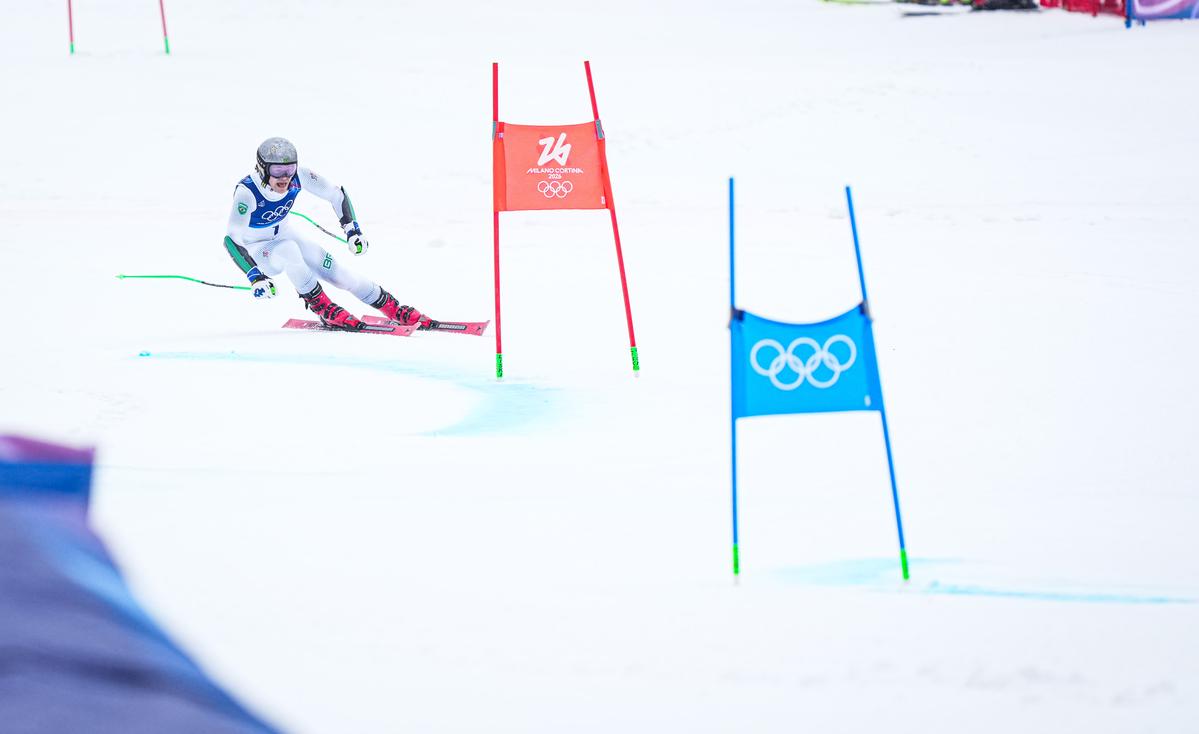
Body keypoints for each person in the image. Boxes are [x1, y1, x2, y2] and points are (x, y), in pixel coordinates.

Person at [222, 137, 430, 330]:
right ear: (262, 169)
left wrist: (352, 230)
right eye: (277, 171)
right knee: (288, 250)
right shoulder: (247, 192)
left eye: (289, 169)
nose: (285, 177)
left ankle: (391, 307)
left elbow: (336, 194)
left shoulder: (299, 176)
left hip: (285, 235)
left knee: (337, 273)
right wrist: (255, 276)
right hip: (258, 250)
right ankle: (323, 307)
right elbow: (232, 239)